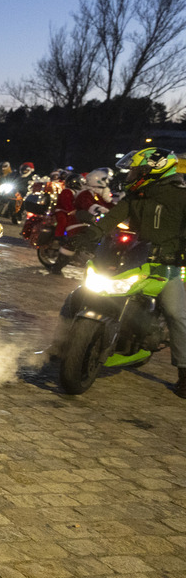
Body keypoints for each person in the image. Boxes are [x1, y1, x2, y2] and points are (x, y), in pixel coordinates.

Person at [74, 148, 186, 397]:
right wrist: (87, 235)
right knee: (82, 291)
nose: (131, 174)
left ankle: (184, 373)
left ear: (154, 171)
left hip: (166, 267)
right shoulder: (135, 196)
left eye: (137, 170)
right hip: (133, 260)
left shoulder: (181, 197)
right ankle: (63, 343)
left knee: (177, 315)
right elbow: (110, 219)